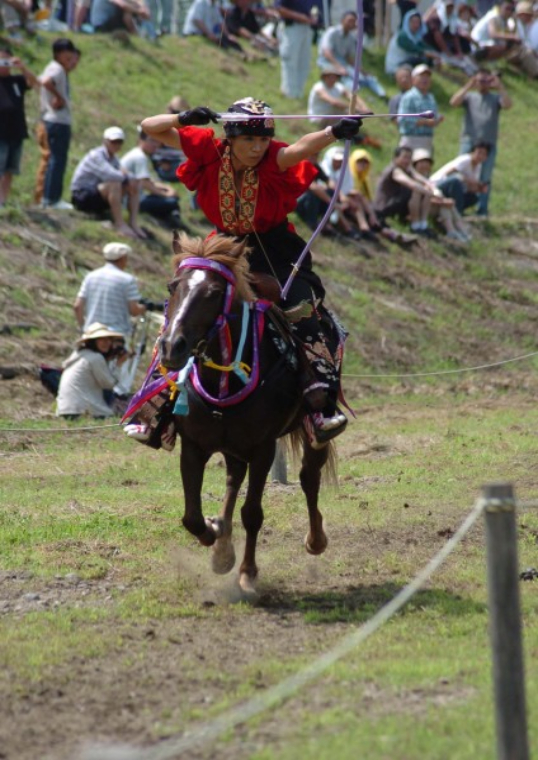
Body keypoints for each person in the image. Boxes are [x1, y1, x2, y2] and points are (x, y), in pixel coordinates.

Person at [137, 97, 364, 447]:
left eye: (263, 140)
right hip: (223, 247)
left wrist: (333, 132)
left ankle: (320, 404)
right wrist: (183, 118)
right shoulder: (208, 149)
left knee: (301, 308)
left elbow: (301, 147)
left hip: (274, 249)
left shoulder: (274, 157)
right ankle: (158, 407)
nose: (257, 148)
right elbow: (150, 127)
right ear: (230, 137)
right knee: (182, 308)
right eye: (249, 140)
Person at [449, 69, 512, 216]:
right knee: (461, 173)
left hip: (488, 143)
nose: (483, 84)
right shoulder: (470, 97)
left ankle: (482, 209)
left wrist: (500, 86)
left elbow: (508, 105)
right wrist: (468, 86)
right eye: (480, 81)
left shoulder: (495, 98)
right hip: (469, 141)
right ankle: (458, 205)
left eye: (486, 81)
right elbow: (453, 102)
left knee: (485, 176)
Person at [70, 126, 147, 239]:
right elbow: (110, 174)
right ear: (105, 141)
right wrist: (127, 177)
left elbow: (123, 174)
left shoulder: (114, 158)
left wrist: (129, 178)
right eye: (113, 141)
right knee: (115, 184)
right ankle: (119, 223)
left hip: (98, 195)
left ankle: (133, 222)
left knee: (133, 185)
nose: (116, 145)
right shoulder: (96, 155)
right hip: (82, 195)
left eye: (119, 142)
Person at [74, 241, 148, 339]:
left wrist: (83, 327)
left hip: (91, 333)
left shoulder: (90, 277)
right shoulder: (128, 280)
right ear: (122, 258)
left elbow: (77, 306)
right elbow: (134, 311)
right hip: (116, 335)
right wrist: (145, 307)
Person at [37, 37, 80, 210]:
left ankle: (49, 197)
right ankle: (52, 198)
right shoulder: (57, 69)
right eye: (67, 57)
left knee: (55, 159)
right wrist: (59, 96)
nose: (70, 61)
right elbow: (46, 82)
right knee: (57, 160)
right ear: (59, 54)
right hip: (57, 120)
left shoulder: (52, 67)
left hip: (52, 119)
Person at [56, 322, 130, 419]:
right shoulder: (96, 358)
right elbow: (109, 384)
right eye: (101, 339)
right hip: (82, 411)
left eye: (108, 339)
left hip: (65, 410)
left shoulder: (79, 355)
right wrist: (118, 365)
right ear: (92, 341)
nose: (106, 343)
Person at [120, 128, 182, 229]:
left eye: (157, 141)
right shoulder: (140, 157)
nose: (155, 145)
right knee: (171, 202)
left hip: (136, 197)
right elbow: (145, 184)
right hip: (131, 200)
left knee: (170, 200)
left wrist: (166, 188)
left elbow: (147, 180)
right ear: (141, 140)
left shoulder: (140, 154)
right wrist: (166, 194)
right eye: (152, 140)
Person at [317, 10, 388, 99]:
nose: (352, 23)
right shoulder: (332, 32)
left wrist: (361, 70)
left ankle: (382, 95)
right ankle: (356, 94)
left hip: (342, 62)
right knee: (346, 77)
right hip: (327, 61)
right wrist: (339, 67)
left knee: (368, 78)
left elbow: (348, 57)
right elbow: (326, 53)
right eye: (349, 20)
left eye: (354, 21)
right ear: (342, 20)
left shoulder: (351, 38)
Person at [0, 46, 38, 207]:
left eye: (6, 60)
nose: (4, 64)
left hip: (16, 130)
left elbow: (34, 83)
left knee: (10, 169)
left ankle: (3, 199)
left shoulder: (17, 80)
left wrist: (22, 68)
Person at [374, 145, 436, 238]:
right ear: (396, 158)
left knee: (424, 190)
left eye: (409, 158)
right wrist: (428, 192)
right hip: (386, 206)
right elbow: (410, 183)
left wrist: (429, 185)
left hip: (398, 202)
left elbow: (418, 177)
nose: (407, 160)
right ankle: (415, 226)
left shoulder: (407, 169)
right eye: (404, 157)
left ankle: (423, 224)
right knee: (416, 191)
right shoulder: (395, 170)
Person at [411, 148, 472, 242]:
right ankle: (456, 231)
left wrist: (443, 201)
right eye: (421, 163)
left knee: (447, 206)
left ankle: (457, 231)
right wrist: (442, 202)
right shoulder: (414, 179)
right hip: (417, 210)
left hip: (427, 207)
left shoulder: (426, 179)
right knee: (445, 206)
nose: (424, 166)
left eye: (427, 163)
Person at [429, 142, 491, 216]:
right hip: (438, 185)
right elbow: (450, 173)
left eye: (484, 154)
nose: (480, 156)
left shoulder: (478, 166)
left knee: (473, 197)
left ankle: (455, 211)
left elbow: (468, 186)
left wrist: (478, 188)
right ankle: (458, 213)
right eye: (479, 152)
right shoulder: (465, 159)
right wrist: (469, 181)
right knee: (456, 182)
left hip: (454, 189)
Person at [276, 0, 321, 99]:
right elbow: (280, 8)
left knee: (304, 62)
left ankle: (298, 92)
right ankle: (289, 92)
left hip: (307, 28)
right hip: (292, 27)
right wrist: (299, 16)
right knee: (290, 59)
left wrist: (313, 17)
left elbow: (315, 8)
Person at [397, 63, 444, 153]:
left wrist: (437, 120)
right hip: (411, 139)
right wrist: (424, 122)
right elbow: (402, 119)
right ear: (413, 79)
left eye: (427, 77)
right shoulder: (409, 97)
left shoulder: (431, 98)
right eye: (421, 76)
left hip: (427, 139)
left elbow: (434, 117)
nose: (425, 79)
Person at [385, 9, 441, 74]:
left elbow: (424, 46)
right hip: (396, 67)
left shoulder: (415, 37)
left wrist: (436, 54)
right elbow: (414, 49)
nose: (416, 25)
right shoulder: (402, 36)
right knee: (422, 59)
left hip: (405, 63)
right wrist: (429, 54)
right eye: (413, 22)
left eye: (418, 22)